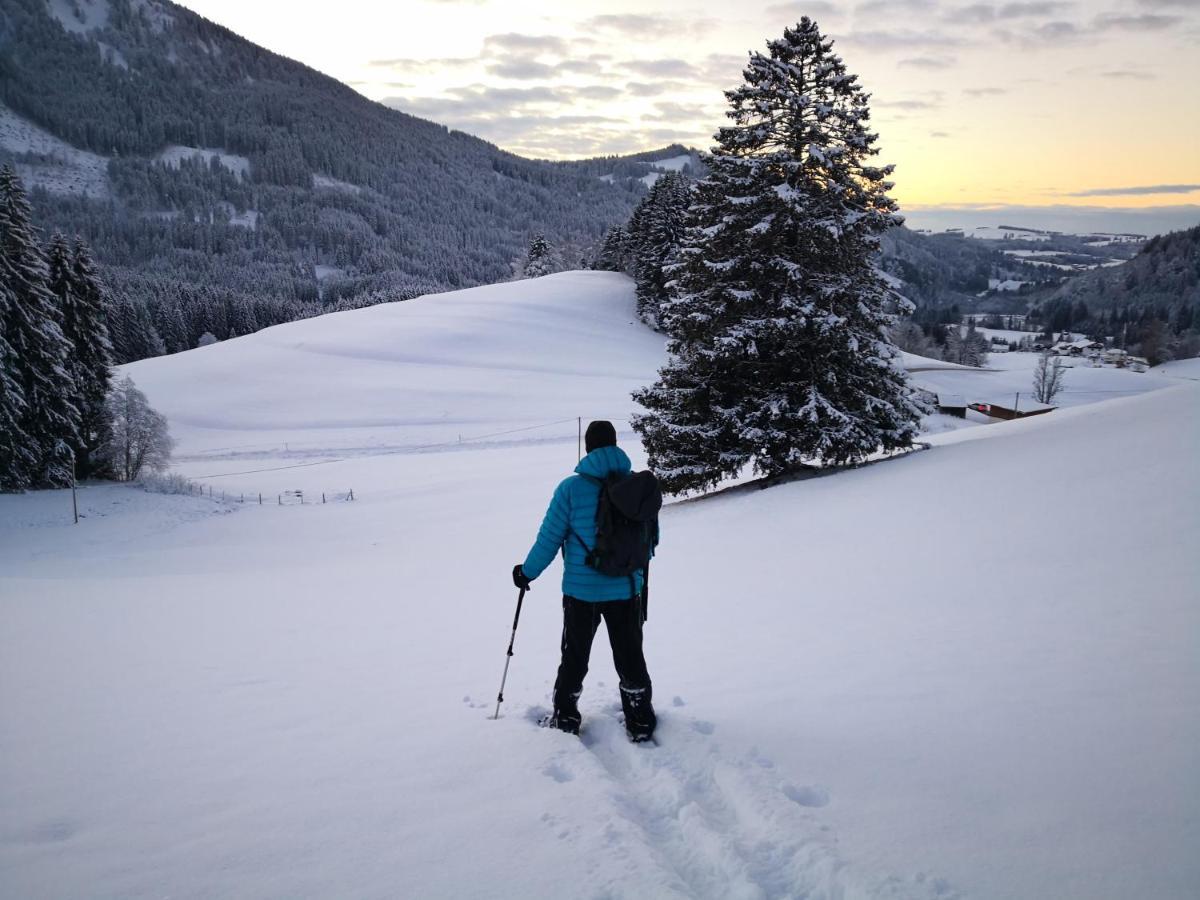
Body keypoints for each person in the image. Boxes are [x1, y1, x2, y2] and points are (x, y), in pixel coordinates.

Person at [513, 420, 657, 741]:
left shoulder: (571, 489)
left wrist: (526, 572)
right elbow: (648, 541)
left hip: (582, 593)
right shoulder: (636, 486)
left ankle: (565, 718)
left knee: (575, 656)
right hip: (626, 589)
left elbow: (549, 538)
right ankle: (640, 720)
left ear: (588, 447)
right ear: (615, 444)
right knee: (630, 655)